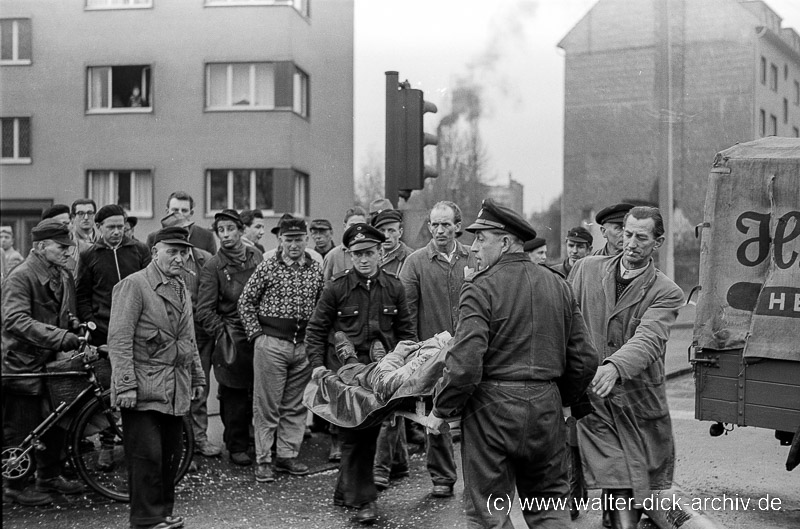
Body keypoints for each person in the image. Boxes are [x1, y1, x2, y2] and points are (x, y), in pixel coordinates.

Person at [425, 198, 598, 528]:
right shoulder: (558, 285)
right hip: (546, 412)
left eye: (482, 239)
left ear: (505, 243)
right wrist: (563, 400)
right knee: (549, 510)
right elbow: (586, 358)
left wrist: (441, 410)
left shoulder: (479, 287)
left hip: (492, 414)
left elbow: (464, 365)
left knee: (489, 514)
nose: (474, 248)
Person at [569, 206, 684, 529]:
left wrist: (615, 367)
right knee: (618, 472)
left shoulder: (666, 292)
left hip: (638, 404)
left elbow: (649, 339)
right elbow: (563, 319)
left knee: (638, 481)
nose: (631, 243)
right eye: (627, 234)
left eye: (641, 237)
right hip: (596, 400)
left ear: (657, 242)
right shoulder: (586, 270)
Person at [306, 223, 415, 524]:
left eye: (369, 253)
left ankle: (346, 491)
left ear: (381, 253)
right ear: (349, 256)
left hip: (380, 373)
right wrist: (317, 364)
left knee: (366, 433)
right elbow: (316, 330)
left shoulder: (394, 288)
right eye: (357, 255)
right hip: (344, 375)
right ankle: (365, 499)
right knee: (353, 434)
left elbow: (406, 331)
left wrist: (407, 365)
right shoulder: (336, 288)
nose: (363, 260)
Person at [107, 226, 206, 529]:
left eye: (183, 252)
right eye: (172, 252)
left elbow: (188, 338)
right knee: (146, 456)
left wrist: (198, 378)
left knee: (169, 456)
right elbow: (119, 339)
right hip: (142, 388)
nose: (179, 258)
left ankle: (162, 512)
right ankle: (146, 519)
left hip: (175, 387)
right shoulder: (133, 286)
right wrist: (125, 385)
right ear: (154, 253)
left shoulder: (181, 287)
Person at [1, 220, 86, 506]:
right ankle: (15, 486)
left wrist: (74, 325)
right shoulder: (20, 276)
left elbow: (64, 312)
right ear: (40, 247)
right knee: (22, 427)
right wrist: (60, 336)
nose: (68, 252)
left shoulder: (61, 274)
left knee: (56, 421)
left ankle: (48, 477)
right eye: (61, 247)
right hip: (21, 365)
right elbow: (14, 320)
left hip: (52, 364)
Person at [398, 200, 476, 498]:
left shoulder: (474, 257)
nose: (440, 230)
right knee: (436, 415)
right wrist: (417, 350)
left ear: (458, 225)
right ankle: (443, 477)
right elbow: (406, 311)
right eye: (435, 224)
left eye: (446, 224)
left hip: (471, 349)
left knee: (475, 415)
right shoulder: (416, 262)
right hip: (433, 354)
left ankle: (476, 477)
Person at [238, 217, 323, 483]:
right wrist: (257, 336)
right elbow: (246, 301)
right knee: (267, 405)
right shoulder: (268, 266)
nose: (294, 245)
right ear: (280, 241)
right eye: (289, 240)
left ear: (306, 240)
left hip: (303, 347)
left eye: (299, 239)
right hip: (272, 343)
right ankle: (264, 460)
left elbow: (322, 306)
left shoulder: (315, 269)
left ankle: (287, 455)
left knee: (296, 405)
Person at [196, 210, 263, 466]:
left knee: (256, 392)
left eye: (230, 229)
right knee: (233, 395)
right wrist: (223, 334)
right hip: (232, 337)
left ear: (240, 230)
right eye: (220, 230)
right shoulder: (213, 265)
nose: (225, 235)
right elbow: (203, 310)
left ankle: (254, 439)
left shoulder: (255, 256)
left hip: (257, 332)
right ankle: (236, 444)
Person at [158, 212, 218, 458]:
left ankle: (199, 438)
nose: (184, 236)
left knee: (198, 386)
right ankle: (182, 446)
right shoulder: (162, 262)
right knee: (174, 390)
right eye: (177, 232)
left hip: (200, 334)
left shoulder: (204, 259)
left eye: (186, 230)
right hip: (170, 335)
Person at [369, 207, 416, 490]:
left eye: (392, 230)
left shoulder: (408, 259)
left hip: (395, 341)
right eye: (382, 231)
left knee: (388, 405)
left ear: (400, 231)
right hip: (371, 340)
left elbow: (406, 307)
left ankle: (381, 468)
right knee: (387, 405)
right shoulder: (371, 258)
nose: (387, 236)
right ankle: (400, 462)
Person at [76, 204, 151, 347]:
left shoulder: (140, 250)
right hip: (104, 331)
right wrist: (94, 324)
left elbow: (151, 288)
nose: (117, 232)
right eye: (111, 227)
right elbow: (82, 296)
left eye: (120, 226)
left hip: (139, 328)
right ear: (99, 226)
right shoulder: (89, 255)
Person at [146, 191, 216, 255]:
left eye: (184, 210)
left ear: (191, 213)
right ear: (167, 212)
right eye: (175, 210)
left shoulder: (206, 236)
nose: (180, 214)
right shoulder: (153, 238)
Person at [321, 206, 368, 283]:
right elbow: (325, 287)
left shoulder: (373, 254)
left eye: (361, 226)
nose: (356, 229)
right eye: (352, 225)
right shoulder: (332, 256)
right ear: (344, 226)